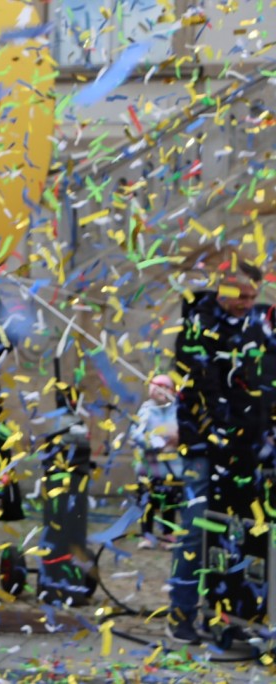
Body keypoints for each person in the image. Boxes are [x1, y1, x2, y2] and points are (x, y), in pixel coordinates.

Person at [168, 258, 272, 644]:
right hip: (204, 444)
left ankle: (232, 615)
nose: (247, 303)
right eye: (240, 295)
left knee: (241, 531)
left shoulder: (258, 324)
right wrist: (220, 433)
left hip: (248, 446)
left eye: (252, 295)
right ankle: (181, 614)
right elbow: (201, 388)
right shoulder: (198, 325)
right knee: (196, 529)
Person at [129, 374, 181, 550]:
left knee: (169, 501)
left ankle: (168, 533)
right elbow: (136, 433)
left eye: (167, 388)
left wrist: (177, 438)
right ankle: (147, 534)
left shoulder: (176, 410)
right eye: (159, 387)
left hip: (171, 466)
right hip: (149, 466)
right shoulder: (147, 410)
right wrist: (152, 441)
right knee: (148, 501)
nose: (163, 391)